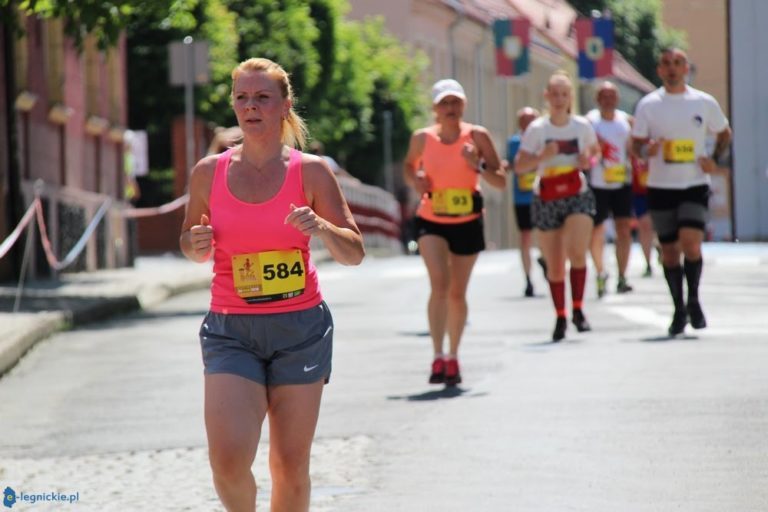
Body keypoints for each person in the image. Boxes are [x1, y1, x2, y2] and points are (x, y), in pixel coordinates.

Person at [179, 57, 365, 512]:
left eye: (263, 97)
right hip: (231, 330)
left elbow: (354, 251)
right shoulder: (208, 172)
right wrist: (194, 242)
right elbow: (190, 243)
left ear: (284, 106)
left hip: (300, 329)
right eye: (242, 97)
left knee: (289, 465)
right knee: (227, 462)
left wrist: (321, 226)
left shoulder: (311, 171)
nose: (251, 106)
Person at [403, 78, 506, 385]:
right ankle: (437, 355)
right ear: (435, 109)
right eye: (444, 103)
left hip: (467, 221)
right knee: (440, 284)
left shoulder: (477, 136)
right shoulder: (422, 138)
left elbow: (500, 180)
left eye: (455, 102)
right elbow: (409, 166)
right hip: (431, 219)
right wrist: (416, 181)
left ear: (464, 105)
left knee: (457, 293)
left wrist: (477, 165)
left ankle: (453, 356)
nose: (450, 108)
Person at [631, 48, 731, 336]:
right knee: (670, 252)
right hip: (660, 186)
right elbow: (635, 145)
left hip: (694, 184)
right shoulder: (648, 105)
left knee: (691, 244)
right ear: (659, 70)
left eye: (677, 63)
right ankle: (679, 309)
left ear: (686, 68)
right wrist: (646, 151)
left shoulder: (703, 102)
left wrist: (715, 159)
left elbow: (724, 133)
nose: (672, 68)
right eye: (666, 63)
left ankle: (694, 299)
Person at [514, 71, 600, 341]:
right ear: (547, 97)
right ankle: (561, 316)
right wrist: (541, 156)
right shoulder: (537, 129)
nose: (560, 99)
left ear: (570, 97)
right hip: (547, 195)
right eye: (555, 94)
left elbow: (595, 152)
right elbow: (520, 166)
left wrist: (588, 160)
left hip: (577, 193)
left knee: (577, 251)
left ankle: (578, 309)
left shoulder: (582, 126)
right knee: (554, 264)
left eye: (564, 94)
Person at [585, 81, 634, 297]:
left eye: (612, 96)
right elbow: (584, 149)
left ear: (617, 99)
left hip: (621, 182)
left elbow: (633, 149)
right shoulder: (590, 122)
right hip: (598, 184)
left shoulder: (626, 121)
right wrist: (595, 150)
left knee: (624, 229)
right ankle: (600, 272)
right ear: (597, 99)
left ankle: (622, 276)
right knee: (597, 230)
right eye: (604, 96)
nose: (608, 100)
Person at [507, 106, 546, 297]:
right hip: (522, 197)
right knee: (525, 236)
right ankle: (528, 279)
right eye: (524, 121)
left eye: (531, 120)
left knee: (545, 233)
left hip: (543, 194)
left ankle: (545, 259)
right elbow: (510, 164)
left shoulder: (544, 140)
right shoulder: (514, 142)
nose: (528, 124)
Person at [630, 154, 657, 277]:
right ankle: (648, 263)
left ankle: (660, 246)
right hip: (639, 192)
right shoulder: (632, 146)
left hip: (659, 189)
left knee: (659, 226)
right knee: (645, 226)